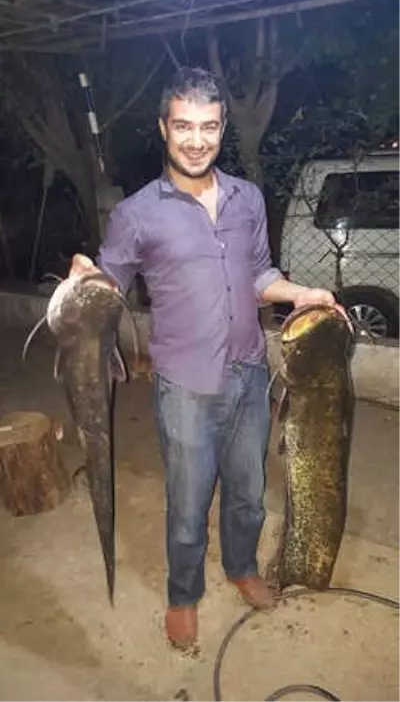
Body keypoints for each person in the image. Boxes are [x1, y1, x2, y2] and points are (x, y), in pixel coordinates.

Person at [73, 67, 336, 650]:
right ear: (163, 128)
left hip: (249, 372)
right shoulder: (137, 213)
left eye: (209, 127)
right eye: (184, 126)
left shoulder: (248, 198)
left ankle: (242, 567)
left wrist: (302, 294)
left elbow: (260, 275)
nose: (197, 140)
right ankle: (183, 595)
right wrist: (86, 277)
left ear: (222, 128)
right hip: (186, 386)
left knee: (248, 493)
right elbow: (108, 285)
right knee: (189, 504)